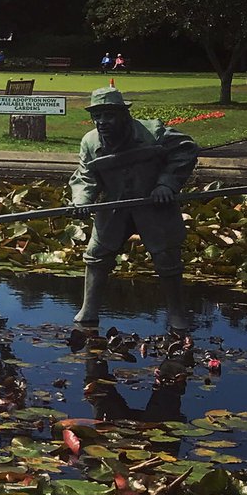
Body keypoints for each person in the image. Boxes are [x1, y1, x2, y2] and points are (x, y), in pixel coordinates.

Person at [69, 86, 200, 334]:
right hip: (113, 208)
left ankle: (176, 312)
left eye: (108, 115)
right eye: (97, 116)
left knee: (166, 257)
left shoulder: (154, 133)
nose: (102, 122)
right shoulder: (90, 142)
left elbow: (186, 149)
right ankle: (89, 309)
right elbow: (85, 177)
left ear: (124, 114)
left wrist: (166, 183)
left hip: (153, 206)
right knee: (96, 255)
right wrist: (82, 201)